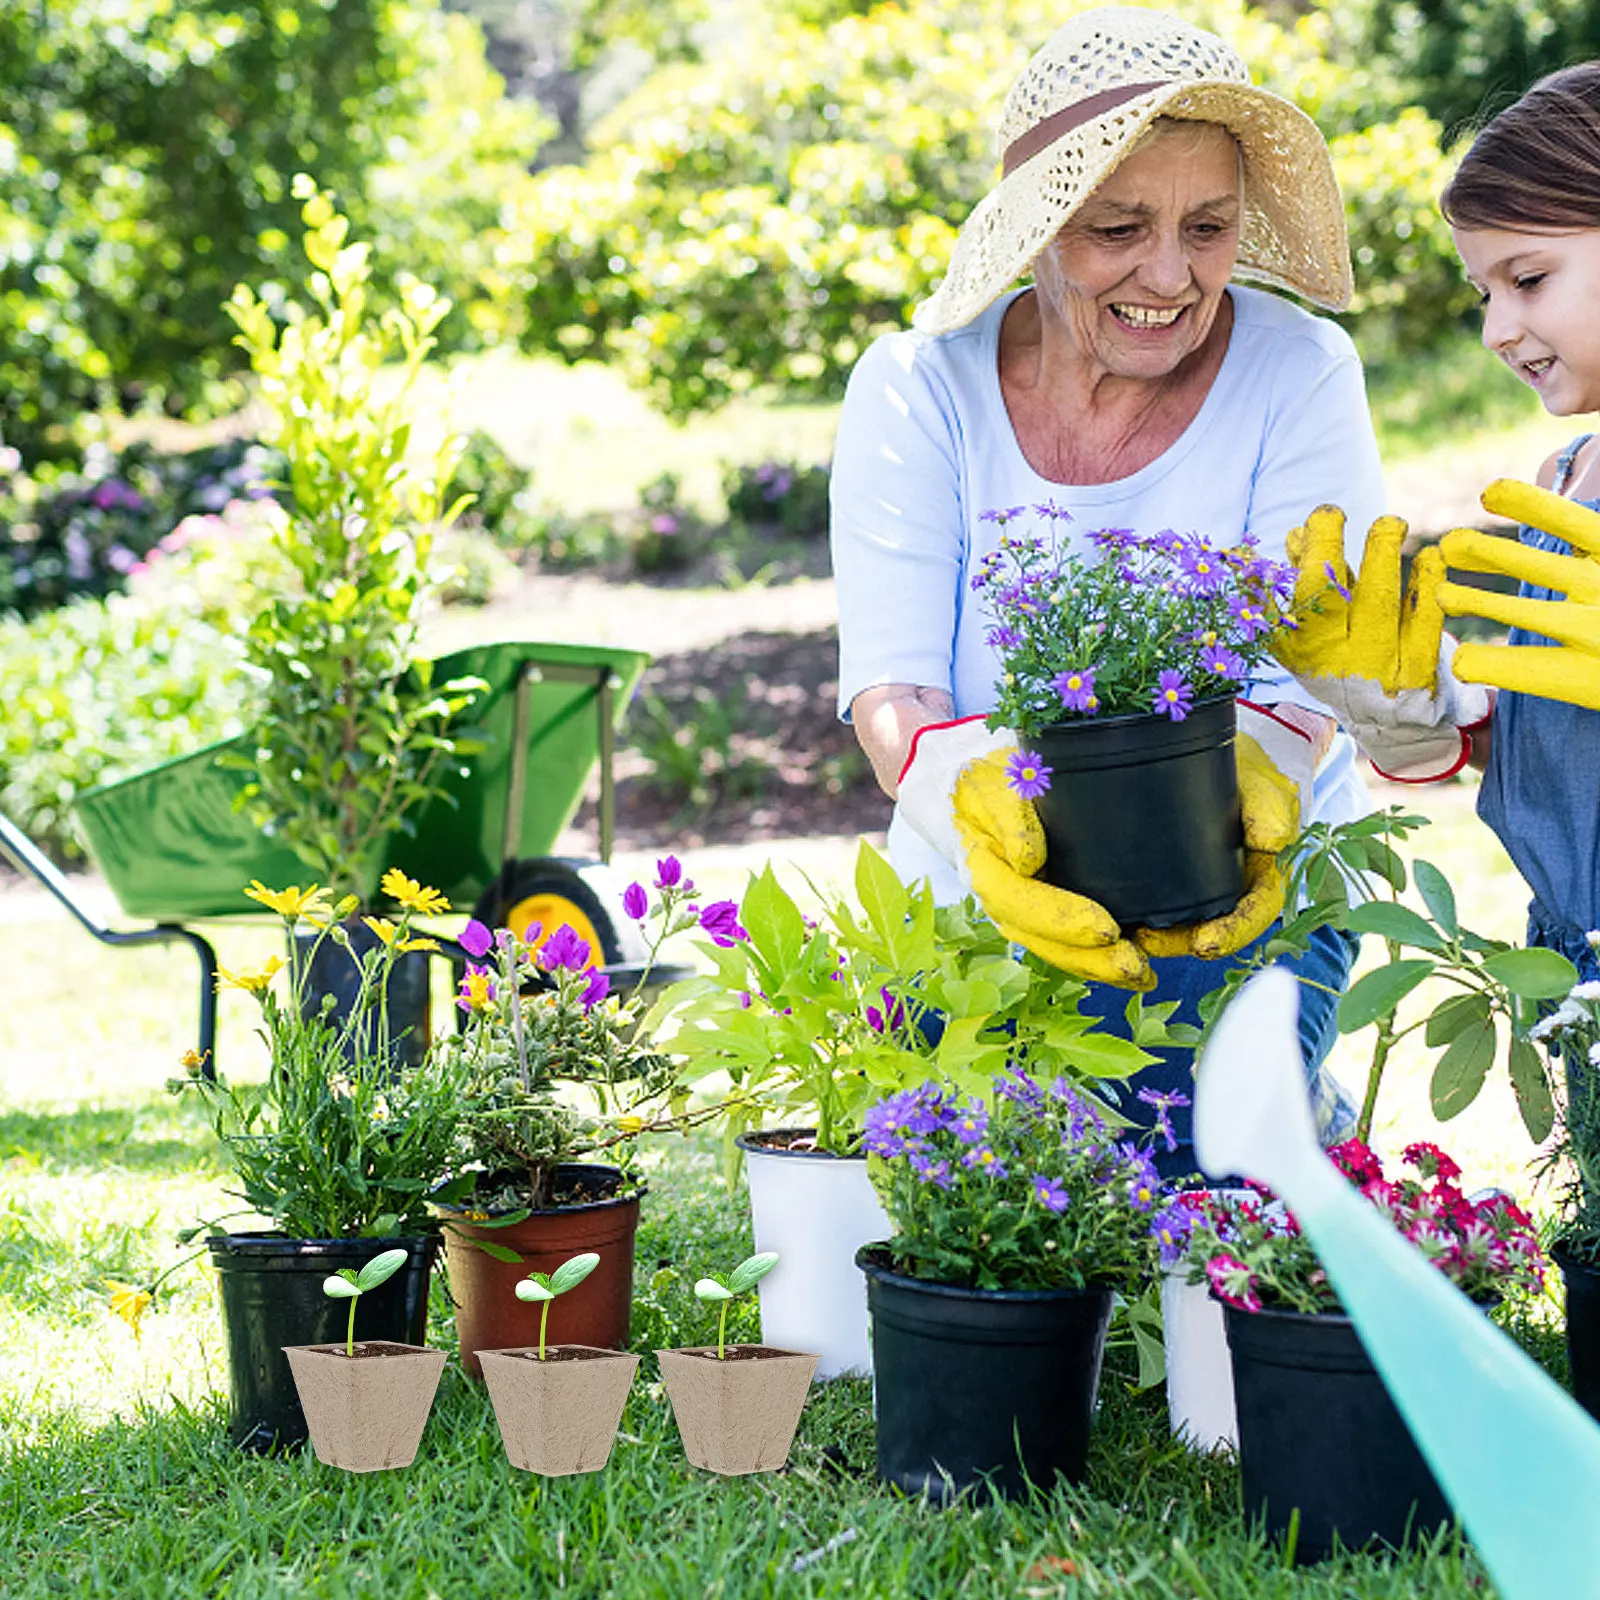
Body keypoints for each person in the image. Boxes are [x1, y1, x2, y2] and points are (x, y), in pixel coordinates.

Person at [828, 6, 1386, 1161]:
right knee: (965, 1203)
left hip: (1237, 897)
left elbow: (1314, 671)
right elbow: (894, 694)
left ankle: (1286, 1119)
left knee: (1194, 1170)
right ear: (1035, 225)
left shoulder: (1299, 372)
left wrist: (1256, 785)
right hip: (977, 896)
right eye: (1117, 226)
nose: (1169, 275)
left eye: (1209, 226)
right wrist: (985, 839)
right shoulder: (917, 386)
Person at [1273, 63, 1600, 988]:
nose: (1498, 328)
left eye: (1529, 278)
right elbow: (1569, 746)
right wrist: (1440, 716)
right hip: (1566, 961)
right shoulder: (1566, 479)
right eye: (1484, 292)